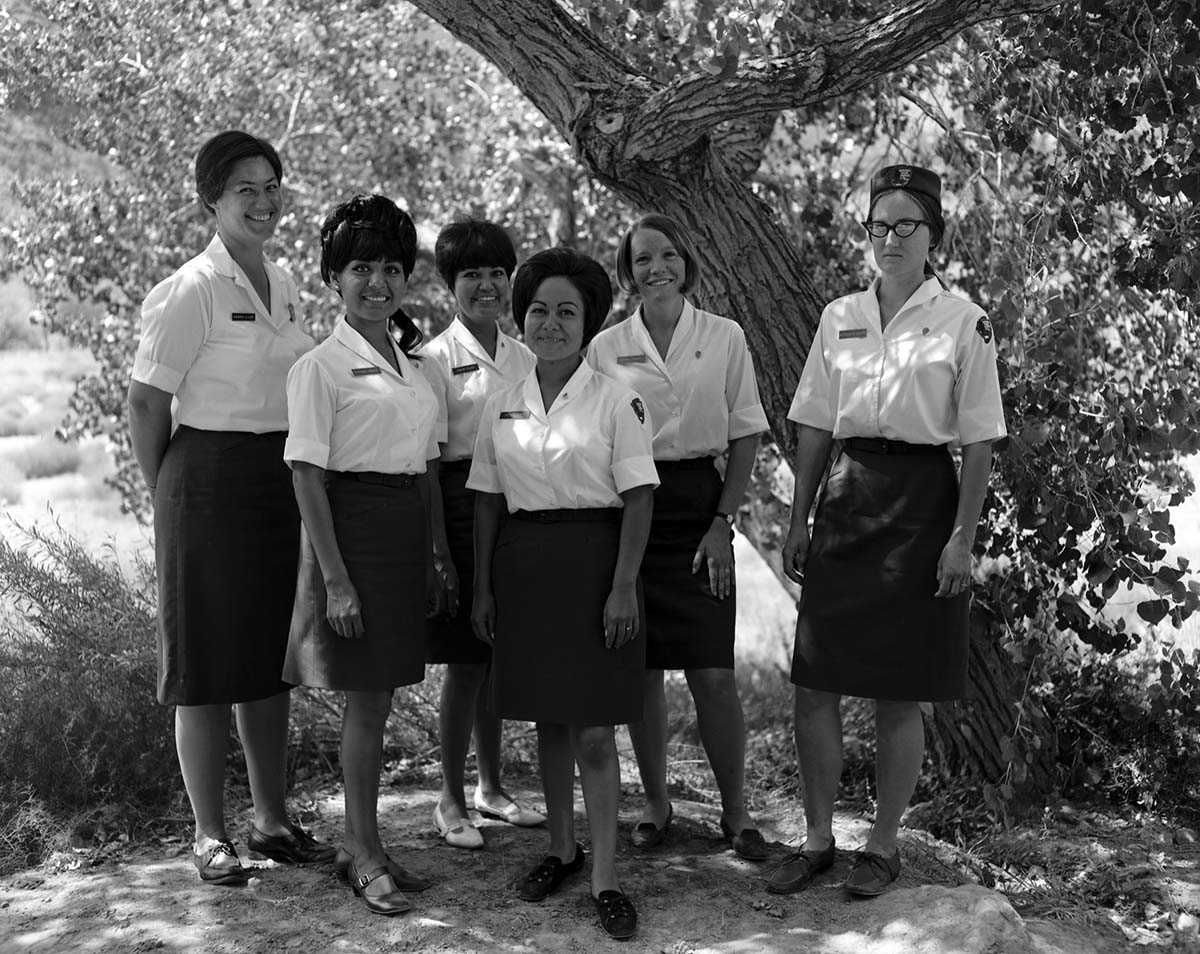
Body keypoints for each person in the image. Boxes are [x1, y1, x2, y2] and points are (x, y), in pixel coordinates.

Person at [768, 164, 1006, 898]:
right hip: (848, 495)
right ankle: (816, 840)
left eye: (907, 225)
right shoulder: (839, 314)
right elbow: (814, 424)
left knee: (899, 692)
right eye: (879, 225)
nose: (891, 239)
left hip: (922, 504)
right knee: (815, 681)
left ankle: (881, 846)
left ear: (934, 235)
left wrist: (961, 538)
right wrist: (799, 516)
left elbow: (979, 440)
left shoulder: (964, 320)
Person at [128, 130, 333, 886]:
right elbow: (146, 404)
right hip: (205, 481)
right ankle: (209, 835)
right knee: (207, 662)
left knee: (267, 660)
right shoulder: (191, 288)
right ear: (210, 200)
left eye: (272, 186)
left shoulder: (282, 281)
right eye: (245, 188)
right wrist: (170, 495)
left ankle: (272, 821)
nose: (263, 200)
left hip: (273, 481)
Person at [468, 247, 657, 940]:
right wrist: (483, 588)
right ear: (522, 318)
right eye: (540, 311)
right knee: (548, 720)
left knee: (595, 730)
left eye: (566, 312)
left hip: (597, 565)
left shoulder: (616, 399)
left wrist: (623, 586)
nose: (550, 324)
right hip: (524, 568)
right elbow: (487, 500)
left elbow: (640, 498)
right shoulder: (501, 402)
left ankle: (605, 876)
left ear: (588, 322)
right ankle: (561, 849)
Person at [587, 214, 770, 860]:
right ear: (627, 271)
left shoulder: (724, 336)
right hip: (631, 508)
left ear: (687, 263)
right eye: (642, 259)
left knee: (713, 674)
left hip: (700, 510)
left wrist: (723, 522)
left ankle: (737, 813)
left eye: (668, 255)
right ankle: (657, 804)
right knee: (642, 674)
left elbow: (746, 432)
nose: (656, 268)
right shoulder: (606, 347)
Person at [282, 193, 440, 916]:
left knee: (380, 695)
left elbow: (423, 465)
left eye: (390, 269)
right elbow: (306, 476)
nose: (377, 282)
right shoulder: (319, 367)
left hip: (401, 537)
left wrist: (434, 554)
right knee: (367, 701)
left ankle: (361, 842)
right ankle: (362, 852)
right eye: (360, 269)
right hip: (351, 539)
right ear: (333, 279)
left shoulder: (412, 365)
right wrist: (336, 581)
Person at [419, 218, 544, 850]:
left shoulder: (528, 356)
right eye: (473, 274)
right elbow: (427, 460)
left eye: (498, 272)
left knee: (497, 656)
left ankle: (491, 788)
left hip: (516, 509)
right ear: (451, 283)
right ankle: (449, 797)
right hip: (460, 507)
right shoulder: (432, 360)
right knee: (466, 663)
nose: (487, 285)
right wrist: (439, 549)